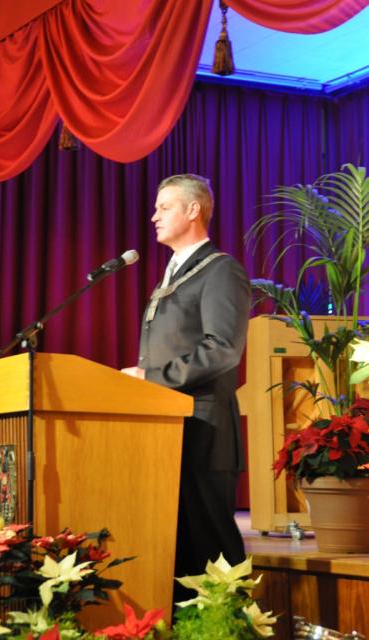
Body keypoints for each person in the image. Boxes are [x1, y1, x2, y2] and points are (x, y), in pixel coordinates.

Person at [121, 174, 250, 584]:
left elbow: (223, 348)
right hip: (167, 429)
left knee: (212, 552)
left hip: (203, 428)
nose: (154, 216)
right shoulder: (173, 273)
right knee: (177, 556)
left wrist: (152, 377)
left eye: (164, 207)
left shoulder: (221, 270)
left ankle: (229, 618)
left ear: (193, 210)